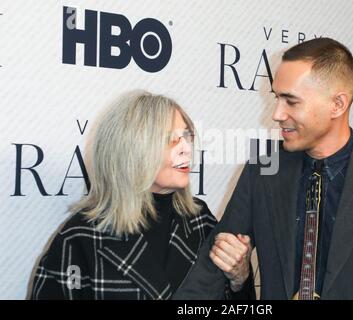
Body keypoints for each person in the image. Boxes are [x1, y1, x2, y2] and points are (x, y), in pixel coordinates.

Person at [173, 38, 353, 300]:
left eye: (291, 101)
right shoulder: (263, 170)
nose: (277, 113)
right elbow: (209, 274)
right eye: (277, 98)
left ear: (338, 104)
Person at [30, 90, 220, 299]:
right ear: (132, 149)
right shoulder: (79, 239)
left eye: (186, 136)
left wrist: (239, 279)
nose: (186, 149)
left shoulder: (201, 221)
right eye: (170, 140)